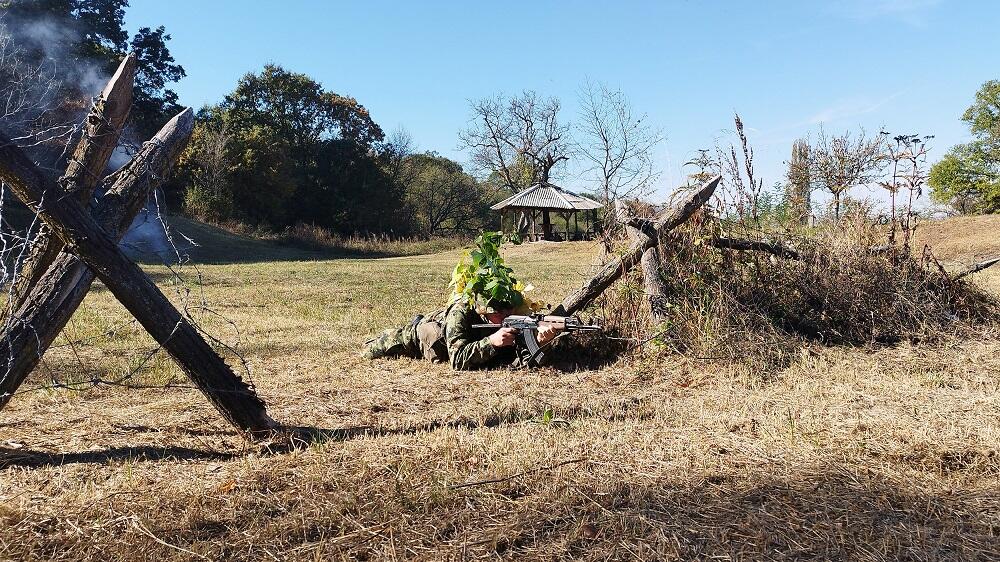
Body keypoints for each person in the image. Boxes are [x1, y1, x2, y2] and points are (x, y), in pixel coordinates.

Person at [362, 295, 560, 370]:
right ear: (483, 310)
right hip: (416, 338)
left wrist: (542, 342)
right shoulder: (461, 311)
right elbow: (457, 360)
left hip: (456, 341)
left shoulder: (514, 316)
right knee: (372, 350)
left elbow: (524, 360)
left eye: (509, 311)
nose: (505, 316)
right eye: (498, 313)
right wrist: (491, 342)